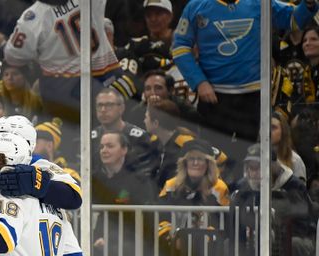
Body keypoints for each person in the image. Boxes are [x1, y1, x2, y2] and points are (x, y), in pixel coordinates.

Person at [172, 0, 317, 162]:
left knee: (253, 158)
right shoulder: (195, 6)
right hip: (214, 97)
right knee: (213, 158)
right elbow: (179, 47)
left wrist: (309, 5)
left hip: (254, 98)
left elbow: (292, 19)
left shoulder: (261, 2)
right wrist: (199, 82)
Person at [4, 0, 118, 124]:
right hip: (106, 75)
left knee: (67, 135)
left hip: (62, 90)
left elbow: (13, 57)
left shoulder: (32, 18)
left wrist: (39, 54)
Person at [230, 144, 318, 256]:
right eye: (250, 168)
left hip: (293, 238)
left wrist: (278, 234)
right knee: (234, 244)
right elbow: (236, 223)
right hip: (258, 237)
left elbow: (305, 224)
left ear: (272, 166)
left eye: (258, 167)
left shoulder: (294, 186)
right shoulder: (243, 189)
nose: (254, 173)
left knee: (296, 244)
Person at [92, 88, 160, 181]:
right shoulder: (88, 139)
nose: (103, 110)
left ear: (121, 108)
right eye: (100, 105)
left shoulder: (140, 138)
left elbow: (146, 174)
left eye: (109, 105)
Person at [272, 109, 306, 183]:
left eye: (273, 127)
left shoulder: (295, 160)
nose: (268, 131)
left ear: (283, 131)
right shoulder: (256, 157)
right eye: (264, 127)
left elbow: (299, 191)